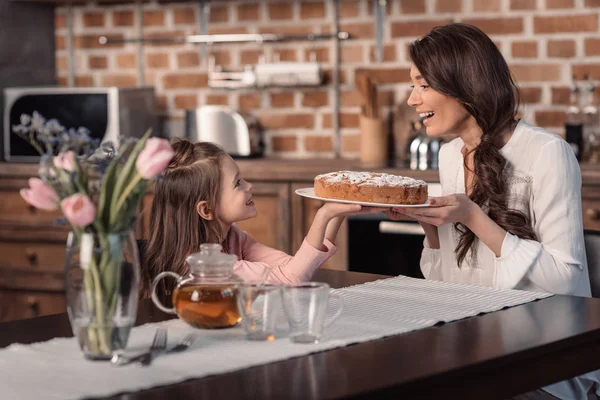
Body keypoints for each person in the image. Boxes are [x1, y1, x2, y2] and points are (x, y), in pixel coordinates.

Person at [386, 23, 598, 400]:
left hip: (543, 362)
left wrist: (472, 217)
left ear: (463, 84)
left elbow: (564, 281)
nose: (411, 100)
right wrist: (430, 226)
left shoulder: (548, 152)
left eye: (422, 84)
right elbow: (450, 284)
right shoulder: (450, 155)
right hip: (477, 350)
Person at [142, 139, 384, 298]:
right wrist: (325, 215)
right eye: (237, 183)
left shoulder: (231, 237)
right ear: (206, 210)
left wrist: (338, 210)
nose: (249, 186)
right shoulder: (205, 267)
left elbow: (293, 268)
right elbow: (289, 280)